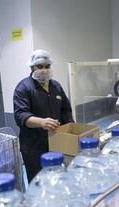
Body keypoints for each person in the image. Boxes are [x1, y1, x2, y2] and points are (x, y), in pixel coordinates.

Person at [13, 49, 74, 182]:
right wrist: (41, 122)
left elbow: (66, 110)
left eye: (47, 66)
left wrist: (71, 131)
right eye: (40, 66)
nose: (44, 70)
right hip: (34, 146)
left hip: (57, 141)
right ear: (31, 67)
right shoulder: (23, 88)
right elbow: (20, 115)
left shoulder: (56, 86)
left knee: (58, 178)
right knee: (38, 181)